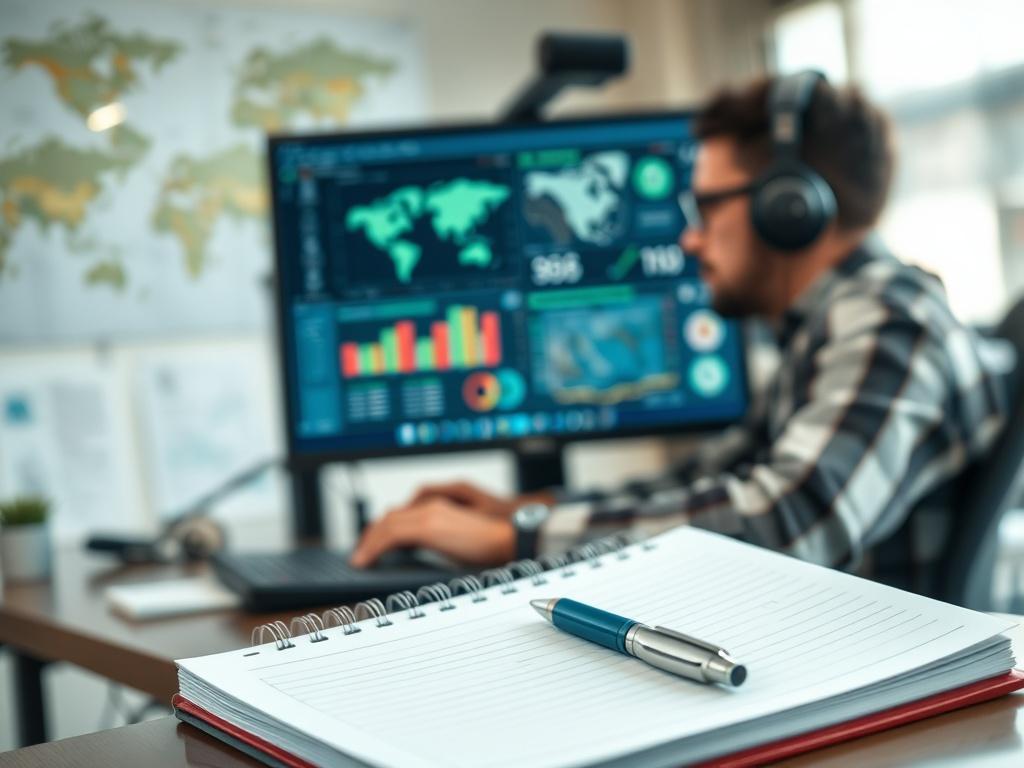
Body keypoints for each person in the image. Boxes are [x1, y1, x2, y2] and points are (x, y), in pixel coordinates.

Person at [350, 73, 1007, 594]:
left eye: (706, 207)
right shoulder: (828, 331)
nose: (689, 238)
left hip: (885, 726)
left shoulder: (894, 318)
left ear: (790, 205)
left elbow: (785, 522)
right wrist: (517, 511)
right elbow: (708, 481)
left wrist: (513, 544)